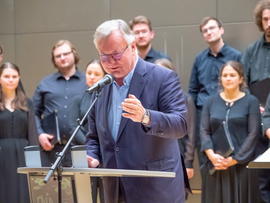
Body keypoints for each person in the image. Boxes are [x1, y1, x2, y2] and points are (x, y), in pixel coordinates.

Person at [85, 19, 188, 203]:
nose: (110, 63)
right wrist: (92, 156)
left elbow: (180, 124)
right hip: (115, 190)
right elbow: (94, 137)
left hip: (156, 188)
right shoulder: (101, 88)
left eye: (116, 54)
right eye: (104, 56)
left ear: (132, 46)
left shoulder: (162, 77)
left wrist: (146, 117)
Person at [200, 61, 260, 203]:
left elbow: (253, 134)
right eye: (224, 75)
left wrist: (234, 159)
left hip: (241, 166)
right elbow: (204, 130)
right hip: (215, 165)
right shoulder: (210, 101)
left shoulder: (251, 101)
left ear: (240, 79)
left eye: (232, 75)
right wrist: (212, 156)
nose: (228, 78)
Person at [188, 17, 242, 168]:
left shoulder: (236, 56)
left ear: (221, 30)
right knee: (205, 157)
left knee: (227, 155)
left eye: (212, 28)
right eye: (205, 31)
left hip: (227, 112)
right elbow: (193, 89)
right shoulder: (199, 59)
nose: (209, 32)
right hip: (202, 114)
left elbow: (242, 87)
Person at [33, 40, 88, 167]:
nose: (62, 58)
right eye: (58, 56)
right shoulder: (45, 83)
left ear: (74, 54)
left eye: (66, 53)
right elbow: (33, 112)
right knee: (52, 187)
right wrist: (40, 134)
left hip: (80, 149)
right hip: (51, 149)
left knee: (80, 187)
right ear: (54, 60)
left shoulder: (87, 82)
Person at [241, 1, 270, 202]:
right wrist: (254, 106)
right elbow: (243, 84)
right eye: (266, 19)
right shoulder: (252, 50)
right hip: (259, 119)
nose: (269, 23)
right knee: (262, 177)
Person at [155, 58, 195, 200]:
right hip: (155, 160)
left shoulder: (185, 98)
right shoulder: (147, 99)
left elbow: (191, 133)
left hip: (178, 158)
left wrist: (189, 162)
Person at [0, 62, 39, 203]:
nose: (11, 79)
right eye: (6, 76)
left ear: (19, 78)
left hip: (22, 157)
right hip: (1, 155)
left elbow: (33, 134)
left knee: (23, 193)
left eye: (14, 76)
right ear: (0, 78)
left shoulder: (27, 103)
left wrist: (35, 162)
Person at [69, 59, 105, 203]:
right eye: (89, 73)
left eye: (97, 74)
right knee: (85, 195)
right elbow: (72, 127)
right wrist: (90, 145)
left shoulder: (109, 99)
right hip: (84, 153)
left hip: (105, 153)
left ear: (105, 76)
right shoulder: (78, 99)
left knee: (105, 194)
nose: (92, 77)